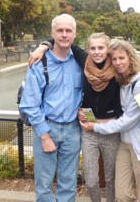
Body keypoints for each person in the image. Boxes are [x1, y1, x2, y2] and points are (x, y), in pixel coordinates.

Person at [29, 33, 140, 202]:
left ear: (107, 50)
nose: (97, 52)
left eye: (101, 48)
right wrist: (43, 46)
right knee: (90, 180)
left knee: (113, 179)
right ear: (88, 49)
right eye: (93, 48)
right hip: (89, 130)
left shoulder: (117, 70)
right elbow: (63, 37)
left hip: (115, 131)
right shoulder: (84, 61)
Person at [80, 38, 140, 202]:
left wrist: (95, 127)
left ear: (130, 58)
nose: (118, 63)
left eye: (122, 58)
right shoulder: (120, 80)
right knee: (122, 195)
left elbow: (127, 121)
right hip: (125, 143)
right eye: (114, 59)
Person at [19, 14, 83, 202]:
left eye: (68, 30)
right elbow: (30, 103)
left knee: (68, 182)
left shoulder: (81, 62)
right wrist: (45, 136)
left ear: (74, 34)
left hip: (73, 130)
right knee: (44, 184)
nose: (64, 34)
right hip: (47, 128)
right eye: (60, 30)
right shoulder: (39, 63)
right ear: (52, 33)